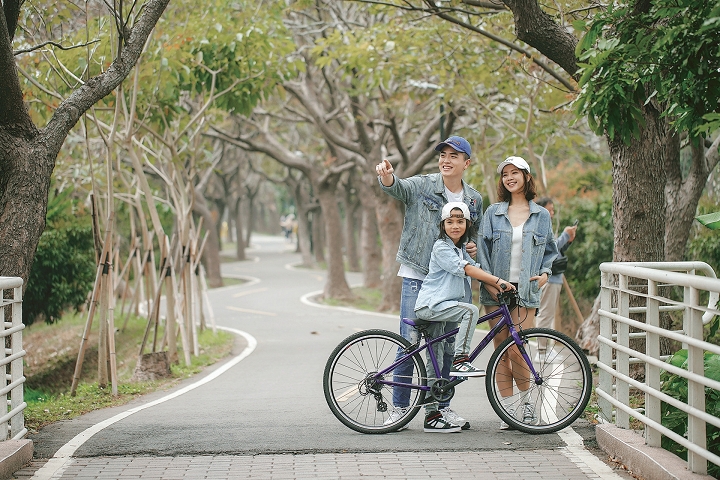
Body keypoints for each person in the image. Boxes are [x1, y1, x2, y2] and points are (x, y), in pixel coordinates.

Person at [375, 135, 483, 431]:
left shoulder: (474, 200)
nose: (446, 160)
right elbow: (398, 188)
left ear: (466, 163)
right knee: (409, 343)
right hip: (417, 277)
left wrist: (472, 247)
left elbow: (475, 236)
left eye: (454, 156)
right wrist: (387, 177)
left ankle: (439, 411)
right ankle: (399, 408)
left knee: (445, 347)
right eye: (443, 155)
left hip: (451, 283)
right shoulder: (423, 184)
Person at [415, 202, 515, 432]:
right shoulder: (441, 247)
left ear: (467, 224)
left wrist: (500, 291)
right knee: (470, 310)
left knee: (437, 361)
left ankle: (433, 416)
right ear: (442, 225)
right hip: (431, 306)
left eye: (460, 221)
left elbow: (479, 272)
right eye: (450, 222)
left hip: (443, 308)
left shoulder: (459, 250)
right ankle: (462, 360)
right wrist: (500, 282)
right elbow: (467, 270)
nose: (455, 226)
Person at [478, 156, 558, 430]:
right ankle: (507, 410)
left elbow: (550, 251)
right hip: (496, 289)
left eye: (515, 173)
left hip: (525, 290)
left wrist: (545, 274)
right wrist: (491, 284)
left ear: (526, 176)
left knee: (518, 349)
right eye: (505, 174)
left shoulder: (541, 215)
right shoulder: (493, 213)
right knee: (500, 349)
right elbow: (483, 251)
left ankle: (526, 406)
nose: (510, 178)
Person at [535, 197, 577, 360]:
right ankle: (542, 351)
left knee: (548, 314)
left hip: (554, 277)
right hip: (548, 277)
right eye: (550, 210)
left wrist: (567, 241)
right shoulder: (540, 226)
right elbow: (549, 249)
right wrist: (565, 235)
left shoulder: (545, 226)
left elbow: (556, 251)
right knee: (545, 314)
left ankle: (544, 349)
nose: (552, 213)